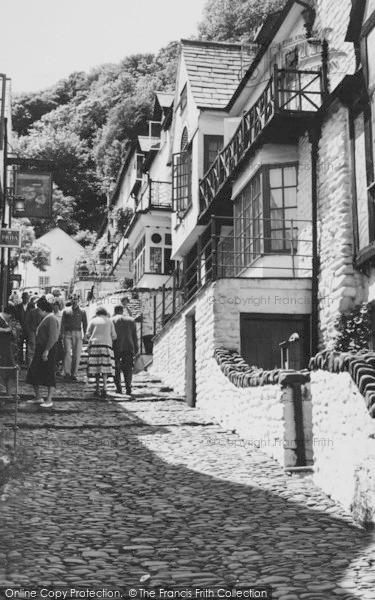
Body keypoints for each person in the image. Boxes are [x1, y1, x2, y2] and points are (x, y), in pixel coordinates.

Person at [26, 296, 60, 408]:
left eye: (39, 310)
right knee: (33, 372)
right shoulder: (47, 319)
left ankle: (49, 399)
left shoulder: (51, 319)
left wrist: (46, 351)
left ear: (44, 310)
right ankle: (38, 396)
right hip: (41, 348)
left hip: (48, 349)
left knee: (49, 373)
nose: (38, 312)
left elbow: (53, 337)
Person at [86, 306, 116, 398]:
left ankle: (97, 388)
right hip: (106, 345)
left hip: (95, 345)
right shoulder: (110, 321)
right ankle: (105, 388)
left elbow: (87, 334)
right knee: (105, 368)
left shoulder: (93, 321)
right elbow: (114, 336)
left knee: (96, 368)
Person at [111, 304, 138, 396]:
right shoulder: (131, 320)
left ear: (115, 311)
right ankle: (128, 387)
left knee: (116, 368)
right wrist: (136, 348)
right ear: (122, 311)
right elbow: (135, 336)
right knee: (128, 369)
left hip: (115, 347)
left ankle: (118, 388)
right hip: (128, 347)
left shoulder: (111, 320)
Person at [60, 294, 87, 382]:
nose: (74, 300)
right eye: (72, 299)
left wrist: (85, 334)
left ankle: (74, 373)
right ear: (70, 300)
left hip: (78, 333)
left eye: (76, 299)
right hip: (67, 333)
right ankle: (67, 372)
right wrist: (62, 333)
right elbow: (62, 323)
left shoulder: (82, 311)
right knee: (67, 352)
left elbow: (85, 324)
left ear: (78, 300)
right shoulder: (65, 311)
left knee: (77, 354)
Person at [0, 305, 21, 396]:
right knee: (6, 371)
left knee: (9, 372)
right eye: (11, 317)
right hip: (3, 350)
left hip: (7, 350)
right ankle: (7, 394)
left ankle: (9, 394)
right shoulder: (3, 321)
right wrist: (6, 329)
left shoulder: (6, 321)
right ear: (8, 314)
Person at [14, 291, 34, 365]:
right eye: (24, 298)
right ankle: (20, 361)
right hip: (21, 329)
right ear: (22, 298)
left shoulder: (32, 306)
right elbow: (16, 318)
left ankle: (28, 362)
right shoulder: (18, 306)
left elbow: (33, 318)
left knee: (29, 346)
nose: (25, 299)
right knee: (20, 345)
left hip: (29, 329)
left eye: (27, 298)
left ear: (28, 299)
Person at [25, 297, 43, 366]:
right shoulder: (33, 312)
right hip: (34, 332)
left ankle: (32, 365)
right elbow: (27, 322)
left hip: (36, 332)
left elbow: (27, 322)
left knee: (33, 350)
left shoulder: (32, 311)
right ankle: (33, 365)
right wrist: (30, 331)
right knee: (33, 349)